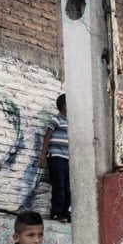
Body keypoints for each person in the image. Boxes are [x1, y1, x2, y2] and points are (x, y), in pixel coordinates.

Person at [37, 94, 70, 223]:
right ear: (64, 106)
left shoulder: (71, 122)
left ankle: (65, 213)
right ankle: (56, 213)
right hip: (56, 156)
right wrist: (42, 155)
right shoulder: (57, 120)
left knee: (67, 187)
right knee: (59, 185)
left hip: (67, 158)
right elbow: (47, 136)